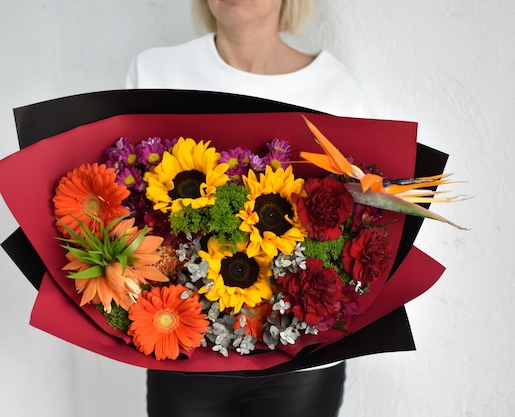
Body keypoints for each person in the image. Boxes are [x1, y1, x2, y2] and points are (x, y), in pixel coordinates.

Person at [126, 1, 369, 416]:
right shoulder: (155, 73)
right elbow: (128, 206)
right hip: (185, 349)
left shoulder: (334, 89)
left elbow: (359, 226)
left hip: (302, 363)